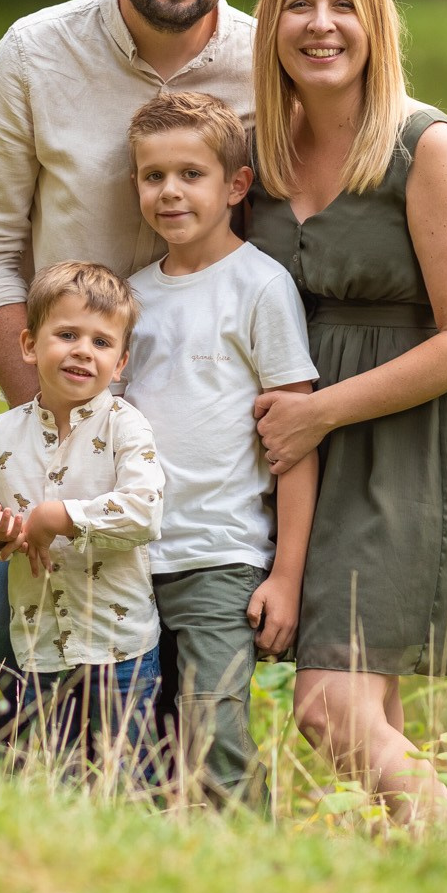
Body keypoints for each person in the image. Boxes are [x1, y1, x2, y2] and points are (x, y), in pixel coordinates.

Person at [0, 0, 254, 691]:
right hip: (59, 404)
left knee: (188, 690)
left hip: (206, 431)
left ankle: (168, 817)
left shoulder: (263, 63)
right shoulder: (33, 53)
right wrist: (52, 425)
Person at [246, 0, 447, 826]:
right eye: (299, 5)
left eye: (342, 4)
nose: (320, 25)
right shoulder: (254, 157)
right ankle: (426, 879)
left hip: (403, 442)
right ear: (269, 23)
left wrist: (322, 416)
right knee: (366, 704)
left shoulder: (423, 147)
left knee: (328, 705)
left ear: (376, 23)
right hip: (298, 459)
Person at [122, 91, 318, 807]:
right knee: (139, 740)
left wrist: (286, 577)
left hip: (221, 560)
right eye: (151, 176)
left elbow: (293, 440)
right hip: (132, 559)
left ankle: (257, 878)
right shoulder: (130, 301)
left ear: (236, 186)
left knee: (215, 740)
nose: (169, 191)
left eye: (190, 174)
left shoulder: (260, 287)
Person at [0, 260, 164, 764]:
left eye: (101, 342)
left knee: (121, 772)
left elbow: (144, 512)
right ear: (29, 345)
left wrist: (62, 517)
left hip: (119, 648)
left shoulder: (126, 427)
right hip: (39, 645)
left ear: (120, 364)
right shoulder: (3, 433)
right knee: (54, 770)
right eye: (67, 334)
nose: (82, 351)